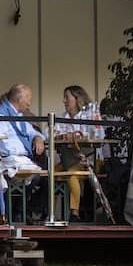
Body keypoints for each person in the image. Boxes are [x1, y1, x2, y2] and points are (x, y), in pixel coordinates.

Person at [0, 84, 46, 220]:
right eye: (28, 98)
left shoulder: (18, 115)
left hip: (22, 158)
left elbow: (31, 131)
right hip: (8, 158)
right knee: (37, 176)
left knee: (44, 176)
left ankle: (21, 211)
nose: (29, 103)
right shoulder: (0, 113)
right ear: (20, 98)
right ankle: (18, 211)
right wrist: (21, 153)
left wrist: (38, 138)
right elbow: (1, 144)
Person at [54, 85, 100, 221]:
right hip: (69, 160)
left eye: (66, 97)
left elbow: (99, 134)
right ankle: (50, 213)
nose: (64, 101)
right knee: (50, 174)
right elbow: (49, 134)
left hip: (89, 160)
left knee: (72, 175)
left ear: (77, 98)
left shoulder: (89, 115)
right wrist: (62, 136)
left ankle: (74, 213)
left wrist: (79, 136)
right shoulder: (63, 117)